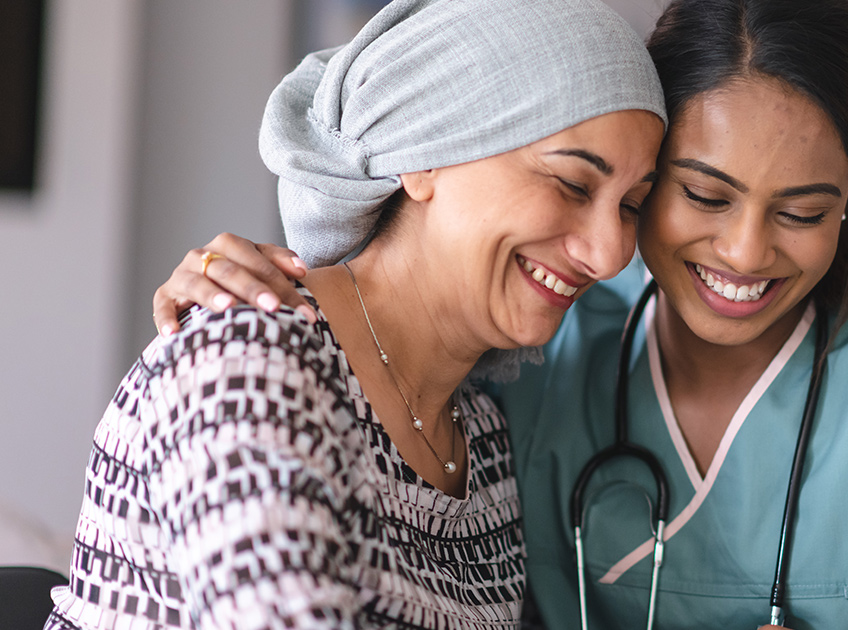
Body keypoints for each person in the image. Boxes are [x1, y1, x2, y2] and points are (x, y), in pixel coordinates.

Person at [149, 0, 848, 628]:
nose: (746, 252)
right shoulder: (539, 355)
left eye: (803, 212)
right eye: (700, 195)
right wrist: (261, 297)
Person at [48, 0, 666, 628]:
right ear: (426, 154)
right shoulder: (248, 366)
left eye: (631, 206)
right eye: (573, 184)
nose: (609, 253)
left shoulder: (480, 435)